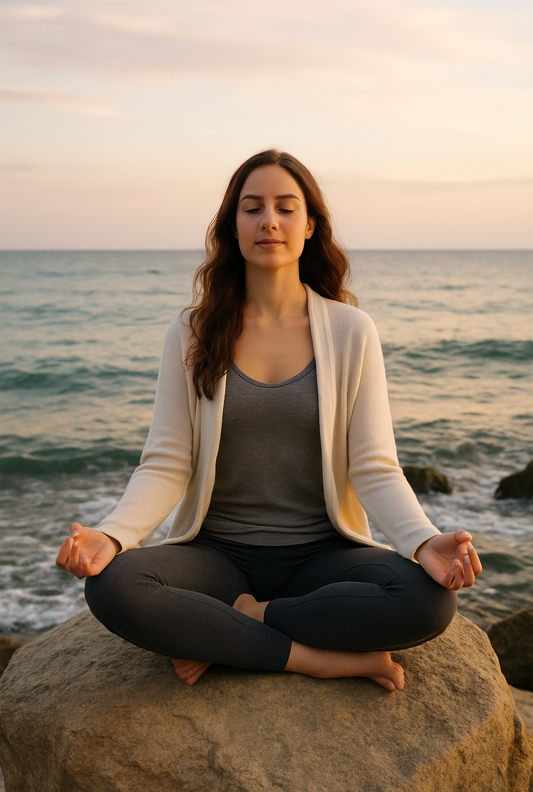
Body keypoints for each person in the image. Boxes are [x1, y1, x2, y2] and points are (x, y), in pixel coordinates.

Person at [56, 149, 482, 692]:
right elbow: (166, 463)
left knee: (427, 603)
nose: (269, 221)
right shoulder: (191, 331)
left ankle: (243, 625)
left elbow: (373, 467)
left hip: (323, 554)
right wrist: (113, 537)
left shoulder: (352, 331)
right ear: (233, 227)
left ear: (310, 226)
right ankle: (316, 658)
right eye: (252, 208)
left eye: (285, 207)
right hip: (216, 557)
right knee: (113, 588)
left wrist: (424, 543)